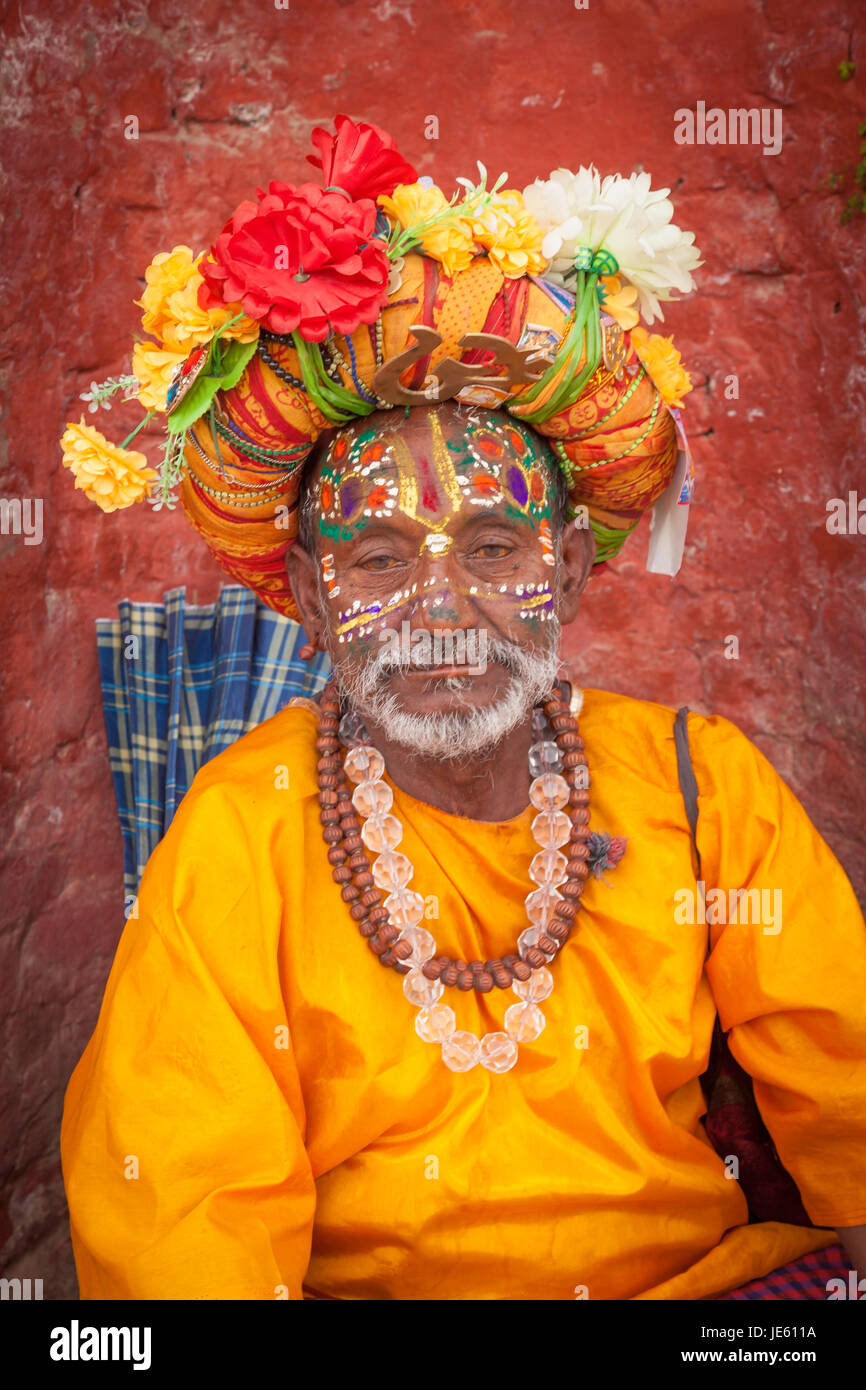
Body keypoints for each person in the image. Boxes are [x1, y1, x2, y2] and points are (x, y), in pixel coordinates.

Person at [60, 116, 866, 1300]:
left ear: (574, 572)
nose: (442, 603)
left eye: (492, 544)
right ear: (311, 598)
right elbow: (183, 1230)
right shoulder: (241, 833)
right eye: (378, 558)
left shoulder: (705, 790)